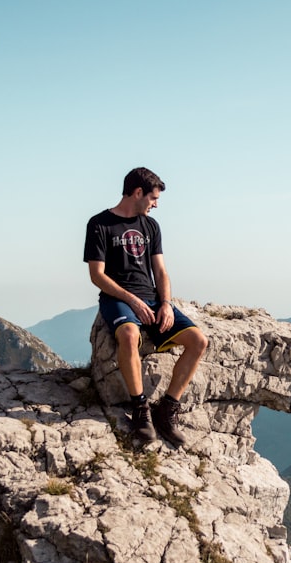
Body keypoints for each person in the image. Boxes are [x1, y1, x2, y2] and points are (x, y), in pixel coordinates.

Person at [83, 167, 208, 447]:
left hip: (153, 298)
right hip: (118, 299)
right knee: (128, 336)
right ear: (137, 193)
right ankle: (140, 411)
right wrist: (132, 300)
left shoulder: (151, 226)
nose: (156, 204)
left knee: (198, 341)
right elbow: (97, 275)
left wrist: (165, 303)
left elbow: (161, 271)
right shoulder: (99, 224)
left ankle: (166, 410)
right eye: (153, 198)